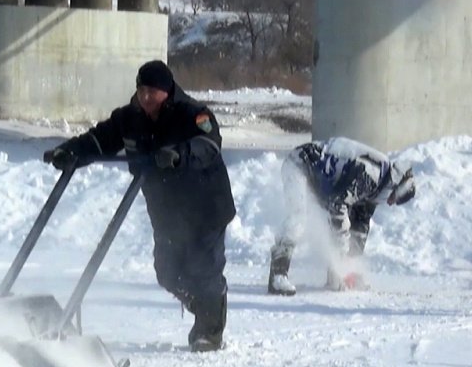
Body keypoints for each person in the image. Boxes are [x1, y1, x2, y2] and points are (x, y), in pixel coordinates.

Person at [42, 60, 236, 351]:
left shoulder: (193, 114)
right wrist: (69, 151)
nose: (146, 97)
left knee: (203, 269)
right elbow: (99, 139)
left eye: (152, 92)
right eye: (142, 90)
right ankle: (204, 305)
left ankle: (209, 329)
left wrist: (179, 154)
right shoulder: (128, 118)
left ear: (167, 91)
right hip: (166, 211)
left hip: (205, 206)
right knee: (167, 272)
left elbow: (209, 145)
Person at [267, 137, 416, 295]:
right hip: (300, 164)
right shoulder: (371, 174)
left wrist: (350, 269)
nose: (391, 203)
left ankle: (334, 278)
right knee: (297, 219)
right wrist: (342, 255)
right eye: (395, 198)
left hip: (321, 182)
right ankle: (278, 276)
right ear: (396, 185)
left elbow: (359, 227)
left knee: (334, 228)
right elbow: (337, 205)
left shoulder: (377, 188)